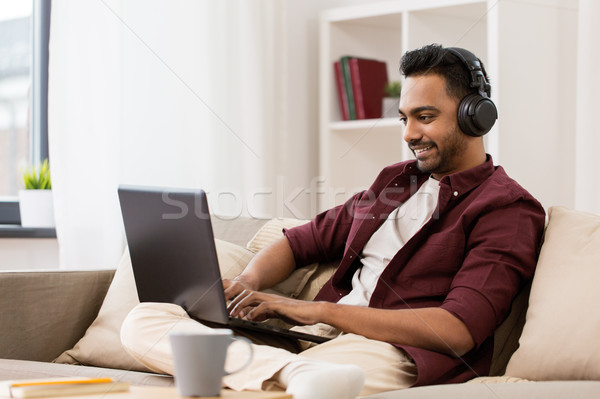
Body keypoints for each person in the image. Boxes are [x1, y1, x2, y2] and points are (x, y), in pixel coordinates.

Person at [120, 44, 546, 399]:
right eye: (404, 118)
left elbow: (456, 331)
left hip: (394, 351)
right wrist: (249, 282)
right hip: (316, 340)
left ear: (476, 115)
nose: (408, 133)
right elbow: (300, 241)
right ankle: (291, 375)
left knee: (320, 372)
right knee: (146, 320)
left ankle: (281, 374)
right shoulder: (395, 183)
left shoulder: (506, 209)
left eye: (426, 117)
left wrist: (314, 310)